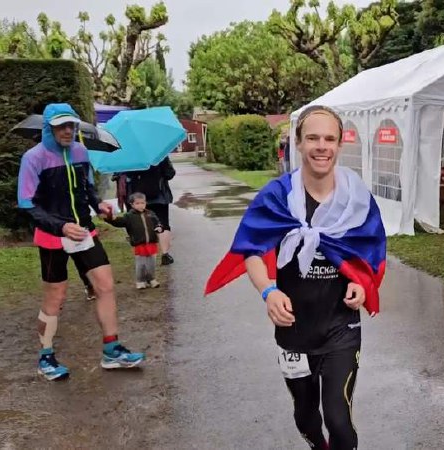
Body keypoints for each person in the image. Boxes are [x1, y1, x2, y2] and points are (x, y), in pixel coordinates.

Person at [204, 105, 387, 450]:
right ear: (298, 143)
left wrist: (361, 284)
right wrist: (268, 291)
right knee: (306, 415)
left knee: (338, 419)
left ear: (340, 144)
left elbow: (369, 253)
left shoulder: (356, 198)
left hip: (341, 327)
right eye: (313, 138)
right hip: (293, 331)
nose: (322, 146)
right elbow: (251, 250)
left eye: (330, 139)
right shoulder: (277, 196)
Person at [17, 103, 145, 381]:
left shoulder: (80, 152)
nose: (68, 131)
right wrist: (61, 226)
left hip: (85, 232)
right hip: (53, 237)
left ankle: (112, 350)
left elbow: (86, 188)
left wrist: (99, 205)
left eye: (71, 125)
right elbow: (26, 203)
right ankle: (46, 357)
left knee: (105, 285)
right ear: (48, 128)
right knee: (56, 296)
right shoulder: (33, 158)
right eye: (61, 126)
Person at [106, 192, 163, 289]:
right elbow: (118, 222)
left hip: (152, 243)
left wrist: (160, 227)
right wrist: (110, 218)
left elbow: (158, 223)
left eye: (142, 203)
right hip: (139, 244)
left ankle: (152, 279)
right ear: (132, 204)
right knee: (141, 264)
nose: (140, 205)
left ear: (145, 203)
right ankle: (140, 281)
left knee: (151, 264)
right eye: (137, 203)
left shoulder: (151, 214)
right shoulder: (129, 216)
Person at [126, 156, 176, 265]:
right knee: (163, 225)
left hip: (138, 198)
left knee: (141, 226)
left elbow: (127, 175)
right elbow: (170, 173)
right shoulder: (160, 154)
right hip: (159, 196)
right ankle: (165, 254)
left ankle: (145, 257)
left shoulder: (130, 155)